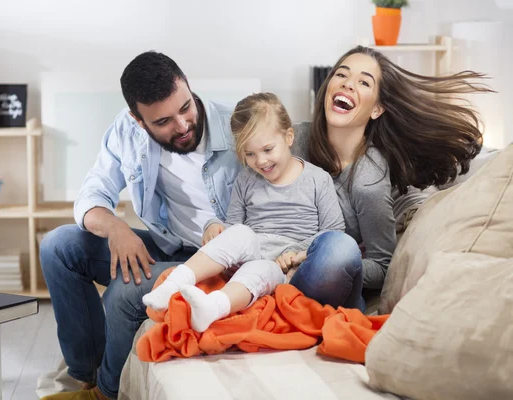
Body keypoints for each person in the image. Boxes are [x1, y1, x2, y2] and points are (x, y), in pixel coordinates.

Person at [39, 51, 242, 400]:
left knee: (125, 289)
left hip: (221, 262)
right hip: (170, 248)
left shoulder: (239, 125)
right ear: (138, 120)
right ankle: (86, 374)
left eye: (185, 107)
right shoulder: (126, 130)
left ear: (189, 88)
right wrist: (117, 228)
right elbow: (92, 194)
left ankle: (105, 393)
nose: (181, 126)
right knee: (58, 246)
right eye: (163, 121)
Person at [291, 45, 491, 306]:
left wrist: (326, 262)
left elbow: (383, 266)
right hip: (272, 259)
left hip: (326, 281)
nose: (348, 84)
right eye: (341, 75)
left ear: (376, 109)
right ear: (327, 87)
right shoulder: (293, 141)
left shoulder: (368, 180)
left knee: (336, 250)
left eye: (364, 82)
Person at [142, 92, 347, 332]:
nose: (261, 161)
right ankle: (176, 282)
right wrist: (213, 225)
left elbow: (334, 233)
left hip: (283, 265)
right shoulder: (247, 179)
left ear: (289, 137)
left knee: (262, 270)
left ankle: (214, 307)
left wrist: (297, 254)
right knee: (240, 232)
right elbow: (232, 225)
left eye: (268, 149)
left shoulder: (317, 179)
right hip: (253, 248)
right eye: (249, 154)